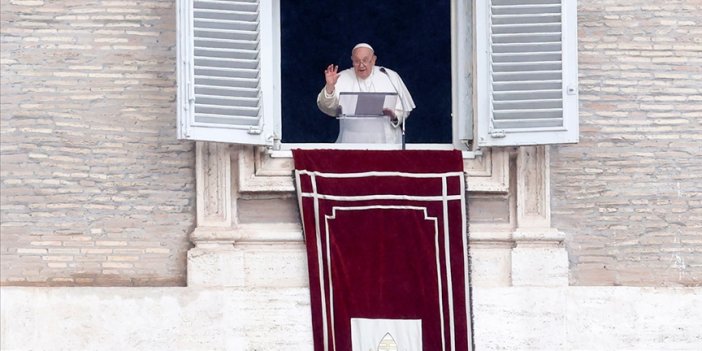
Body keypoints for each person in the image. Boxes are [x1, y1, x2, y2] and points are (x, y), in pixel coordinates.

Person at [317, 43, 415, 144]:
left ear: (373, 60)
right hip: (352, 141)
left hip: (387, 142)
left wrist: (394, 117)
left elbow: (404, 109)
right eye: (357, 61)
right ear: (352, 61)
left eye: (365, 60)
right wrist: (330, 86)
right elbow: (326, 107)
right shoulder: (341, 77)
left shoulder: (390, 76)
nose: (361, 65)